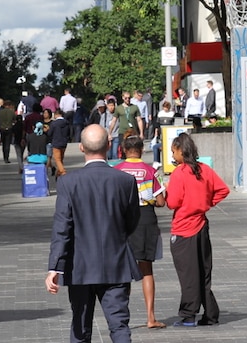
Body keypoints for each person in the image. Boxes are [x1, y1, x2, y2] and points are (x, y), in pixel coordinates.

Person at [45, 124, 142, 343]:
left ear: (80, 147)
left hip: (79, 265)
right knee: (119, 326)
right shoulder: (125, 181)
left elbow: (62, 227)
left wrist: (54, 266)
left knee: (80, 326)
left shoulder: (68, 182)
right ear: (109, 145)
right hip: (116, 262)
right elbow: (133, 220)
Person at [166, 132, 230, 327]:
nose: (172, 156)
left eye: (173, 152)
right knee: (203, 271)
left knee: (188, 274)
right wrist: (206, 203)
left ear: (180, 151)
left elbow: (172, 202)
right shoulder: (204, 169)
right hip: (201, 225)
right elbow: (223, 189)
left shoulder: (179, 173)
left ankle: (188, 314)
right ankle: (210, 313)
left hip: (183, 227)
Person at [114, 135, 166, 329]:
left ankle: (120, 319)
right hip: (145, 220)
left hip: (122, 221)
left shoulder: (116, 170)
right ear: (142, 150)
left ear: (124, 151)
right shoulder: (152, 171)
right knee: (146, 269)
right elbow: (161, 202)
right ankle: (151, 318)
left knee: (123, 271)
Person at [111, 91, 144, 156]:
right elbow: (114, 120)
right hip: (122, 132)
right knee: (123, 150)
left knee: (134, 149)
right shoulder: (119, 108)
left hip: (133, 132)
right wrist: (110, 133)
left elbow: (139, 120)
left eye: (129, 98)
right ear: (123, 98)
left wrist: (141, 133)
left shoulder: (134, 107)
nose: (127, 100)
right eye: (126, 98)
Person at [49, 108, 71, 177]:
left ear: (56, 115)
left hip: (56, 142)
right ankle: (58, 173)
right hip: (64, 142)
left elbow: (50, 133)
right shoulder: (67, 123)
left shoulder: (54, 123)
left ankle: (63, 171)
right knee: (61, 158)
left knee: (57, 159)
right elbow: (69, 132)